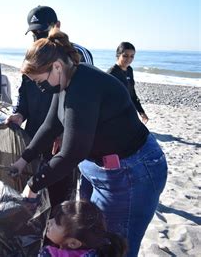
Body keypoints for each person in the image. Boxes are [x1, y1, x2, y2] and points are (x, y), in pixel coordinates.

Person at [10, 28, 167, 257]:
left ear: (56, 66)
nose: (38, 86)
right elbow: (50, 125)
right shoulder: (65, 80)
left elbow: (72, 152)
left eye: (39, 80)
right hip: (96, 169)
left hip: (131, 173)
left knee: (114, 246)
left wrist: (33, 186)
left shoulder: (84, 86)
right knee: (87, 242)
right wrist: (24, 160)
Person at [6, 6, 94, 207]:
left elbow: (82, 104)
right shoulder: (33, 55)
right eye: (34, 33)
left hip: (62, 142)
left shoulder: (78, 55)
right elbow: (24, 94)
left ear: (57, 26)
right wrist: (19, 114)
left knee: (59, 201)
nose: (39, 37)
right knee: (32, 200)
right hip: (36, 135)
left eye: (42, 31)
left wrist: (65, 133)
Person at [39, 200, 127, 257]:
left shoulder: (49, 254)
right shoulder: (97, 252)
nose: (49, 221)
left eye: (57, 223)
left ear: (73, 243)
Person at [108, 42, 148, 124]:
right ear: (118, 55)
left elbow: (132, 93)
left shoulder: (129, 70)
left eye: (132, 56)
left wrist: (141, 111)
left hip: (127, 110)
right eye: (125, 56)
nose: (129, 59)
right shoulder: (111, 73)